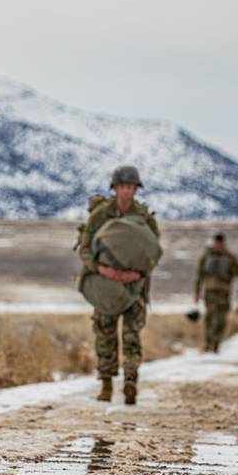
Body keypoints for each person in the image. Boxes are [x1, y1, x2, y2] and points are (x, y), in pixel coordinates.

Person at [78, 166, 160, 405]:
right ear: (115, 188)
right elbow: (85, 248)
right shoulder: (101, 215)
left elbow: (152, 252)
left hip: (135, 287)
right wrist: (102, 270)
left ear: (136, 189)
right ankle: (106, 384)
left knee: (132, 335)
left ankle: (130, 380)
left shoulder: (144, 218)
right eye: (122, 186)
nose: (126, 191)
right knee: (105, 335)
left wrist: (137, 273)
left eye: (130, 187)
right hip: (105, 285)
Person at [194, 233, 238, 353]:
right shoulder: (206, 257)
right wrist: (197, 292)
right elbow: (200, 276)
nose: (218, 245)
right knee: (210, 317)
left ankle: (216, 343)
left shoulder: (230, 257)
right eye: (216, 243)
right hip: (210, 292)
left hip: (224, 292)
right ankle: (208, 343)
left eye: (220, 243)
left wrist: (228, 271)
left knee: (221, 318)